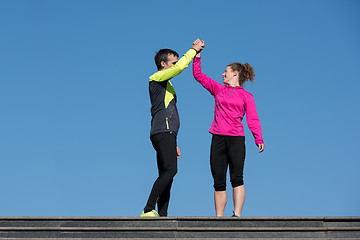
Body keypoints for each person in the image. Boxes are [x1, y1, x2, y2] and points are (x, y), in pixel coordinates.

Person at [192, 40, 264, 217]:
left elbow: (253, 118)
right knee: (218, 181)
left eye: (226, 71)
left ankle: (237, 215)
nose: (222, 74)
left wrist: (258, 138)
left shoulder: (247, 96)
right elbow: (199, 75)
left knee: (237, 178)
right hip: (217, 137)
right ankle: (219, 217)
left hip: (236, 139)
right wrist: (197, 54)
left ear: (235, 73)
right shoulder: (218, 89)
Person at [141, 40, 204, 217]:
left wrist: (174, 141)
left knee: (167, 174)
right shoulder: (156, 77)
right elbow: (179, 69)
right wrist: (193, 51)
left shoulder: (166, 85)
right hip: (162, 131)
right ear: (163, 64)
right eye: (172, 62)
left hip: (166, 134)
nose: (175, 66)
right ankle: (148, 209)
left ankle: (162, 214)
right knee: (170, 170)